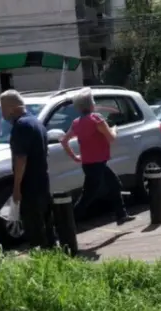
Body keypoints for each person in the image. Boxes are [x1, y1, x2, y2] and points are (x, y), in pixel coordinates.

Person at [60, 87, 135, 225]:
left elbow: (64, 141)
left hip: (90, 164)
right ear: (91, 104)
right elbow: (111, 138)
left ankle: (121, 215)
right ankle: (67, 224)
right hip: (97, 164)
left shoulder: (76, 122)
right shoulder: (96, 118)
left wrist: (75, 157)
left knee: (114, 184)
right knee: (87, 197)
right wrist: (114, 129)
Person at [0, 89, 56, 249]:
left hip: (29, 185)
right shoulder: (36, 123)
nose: (3, 114)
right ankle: (53, 255)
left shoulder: (21, 126)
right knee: (46, 225)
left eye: (3, 108)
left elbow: (20, 159)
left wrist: (16, 188)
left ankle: (43, 260)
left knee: (34, 228)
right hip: (42, 182)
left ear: (12, 107)